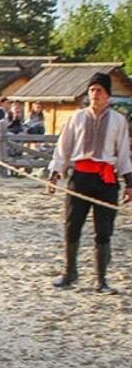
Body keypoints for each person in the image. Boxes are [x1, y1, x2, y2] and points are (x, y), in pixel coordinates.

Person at [48, 73, 132, 295]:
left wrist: (129, 183)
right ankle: (70, 272)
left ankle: (101, 279)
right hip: (80, 178)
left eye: (100, 90)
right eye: (92, 90)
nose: (95, 94)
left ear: (108, 96)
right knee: (72, 225)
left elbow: (123, 154)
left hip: (106, 180)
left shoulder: (118, 121)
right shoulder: (76, 118)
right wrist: (55, 173)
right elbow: (63, 148)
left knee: (103, 230)